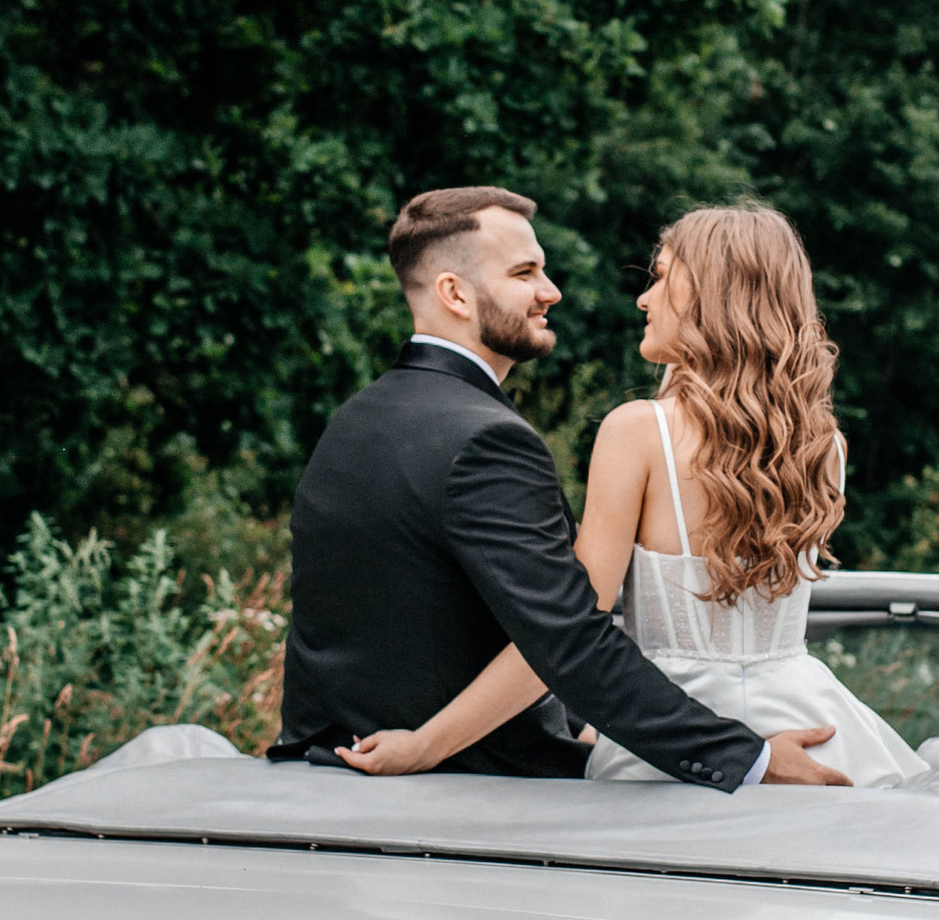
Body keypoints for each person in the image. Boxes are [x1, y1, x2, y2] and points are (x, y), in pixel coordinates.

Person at [272, 186, 850, 788]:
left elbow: (425, 618)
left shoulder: (355, 421)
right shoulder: (487, 439)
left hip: (330, 765)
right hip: (465, 788)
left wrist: (578, 720)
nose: (553, 292)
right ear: (455, 293)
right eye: (526, 272)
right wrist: (749, 759)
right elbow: (572, 640)